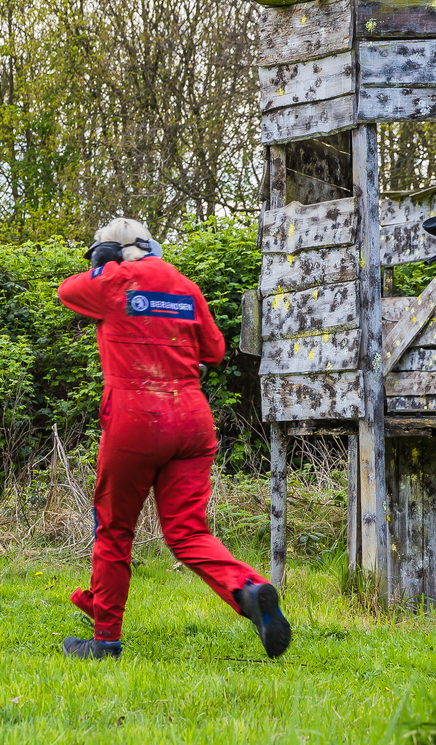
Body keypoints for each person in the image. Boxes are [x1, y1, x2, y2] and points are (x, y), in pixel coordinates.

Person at [54, 217, 291, 661]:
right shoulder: (184, 285)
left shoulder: (112, 280)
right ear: (150, 246)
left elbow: (68, 292)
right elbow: (215, 352)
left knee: (114, 530)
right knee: (186, 530)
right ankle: (247, 589)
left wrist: (103, 266)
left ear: (110, 252)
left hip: (134, 419)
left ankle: (104, 640)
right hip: (192, 421)